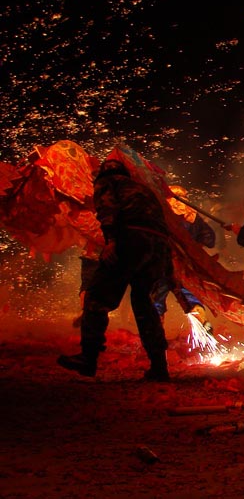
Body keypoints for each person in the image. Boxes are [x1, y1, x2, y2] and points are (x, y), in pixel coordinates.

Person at [57, 158, 175, 382]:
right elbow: (162, 224)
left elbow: (107, 209)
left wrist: (111, 241)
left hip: (130, 239)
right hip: (158, 247)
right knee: (143, 302)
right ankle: (160, 367)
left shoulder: (108, 183)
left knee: (96, 298)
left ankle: (88, 359)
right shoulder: (143, 190)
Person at [151, 185, 215, 327]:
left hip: (163, 264)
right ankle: (203, 325)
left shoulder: (163, 213)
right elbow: (210, 239)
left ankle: (156, 334)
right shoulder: (192, 214)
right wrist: (195, 248)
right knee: (188, 294)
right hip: (185, 266)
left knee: (156, 298)